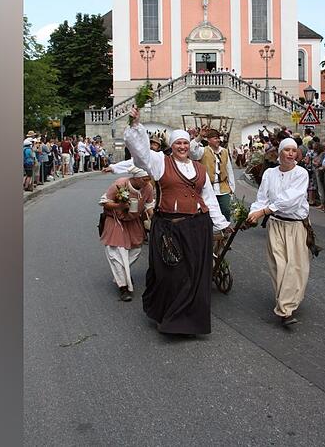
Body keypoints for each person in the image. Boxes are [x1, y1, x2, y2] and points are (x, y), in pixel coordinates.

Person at [125, 106, 231, 336]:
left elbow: (209, 199)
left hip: (198, 226)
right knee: (172, 274)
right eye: (178, 143)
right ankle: (168, 315)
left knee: (195, 274)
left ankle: (188, 322)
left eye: (185, 143)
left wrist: (222, 224)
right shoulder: (160, 162)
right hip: (169, 227)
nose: (182, 147)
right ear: (171, 146)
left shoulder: (200, 168)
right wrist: (135, 125)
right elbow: (141, 153)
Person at [245, 138, 312, 326]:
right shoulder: (269, 173)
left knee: (296, 267)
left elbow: (290, 200)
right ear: (279, 153)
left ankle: (286, 309)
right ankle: (285, 303)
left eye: (294, 150)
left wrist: (263, 212)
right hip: (276, 224)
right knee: (278, 265)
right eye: (287, 150)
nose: (291, 153)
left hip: (296, 225)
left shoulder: (301, 173)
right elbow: (262, 198)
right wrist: (253, 213)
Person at [98, 166, 155, 302]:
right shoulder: (120, 184)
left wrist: (155, 219)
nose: (147, 181)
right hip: (116, 221)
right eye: (144, 179)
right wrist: (120, 206)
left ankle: (123, 273)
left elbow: (149, 206)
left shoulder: (148, 188)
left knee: (136, 249)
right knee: (116, 253)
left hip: (133, 221)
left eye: (148, 179)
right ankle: (124, 287)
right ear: (135, 178)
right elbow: (104, 202)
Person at [190, 129, 236, 222]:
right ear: (209, 140)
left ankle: (225, 231)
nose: (218, 140)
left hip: (223, 188)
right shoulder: (202, 151)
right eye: (215, 138)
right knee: (208, 212)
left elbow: (229, 171)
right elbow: (191, 150)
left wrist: (232, 188)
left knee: (226, 210)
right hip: (207, 188)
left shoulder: (224, 151)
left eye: (218, 138)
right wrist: (199, 137)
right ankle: (210, 232)